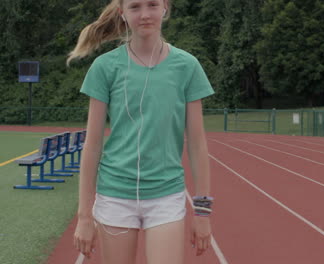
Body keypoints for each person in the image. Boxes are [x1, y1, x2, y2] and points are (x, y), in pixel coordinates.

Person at [67, 0, 214, 263]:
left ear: (165, 7)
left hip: (165, 195)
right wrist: (85, 216)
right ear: (122, 12)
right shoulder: (104, 68)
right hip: (115, 195)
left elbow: (197, 145)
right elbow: (92, 145)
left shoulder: (187, 67)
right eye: (135, 7)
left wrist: (202, 213)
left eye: (152, 5)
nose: (145, 14)